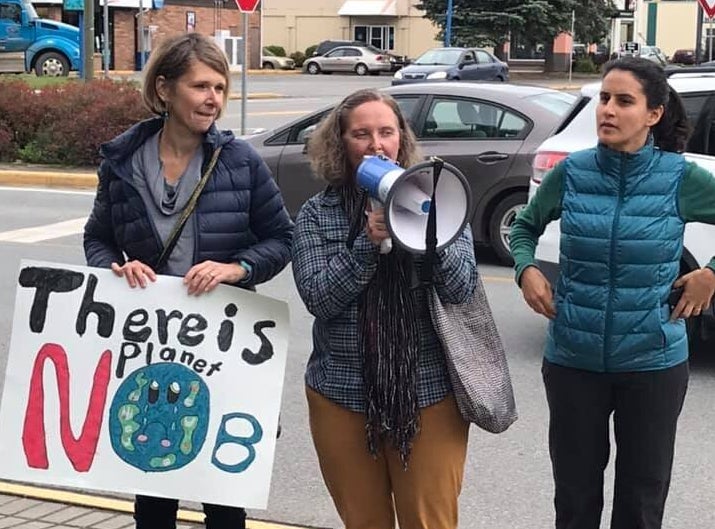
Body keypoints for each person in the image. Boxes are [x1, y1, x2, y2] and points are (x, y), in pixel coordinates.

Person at [83, 33, 294, 529]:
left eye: (220, 87)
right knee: (154, 491)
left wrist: (235, 268)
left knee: (223, 499)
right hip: (150, 345)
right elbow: (97, 240)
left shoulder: (239, 162)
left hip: (220, 347)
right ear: (164, 89)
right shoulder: (122, 163)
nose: (213, 99)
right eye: (201, 86)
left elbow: (281, 239)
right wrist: (116, 268)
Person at [510, 56, 715, 529]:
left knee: (641, 502)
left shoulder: (680, 177)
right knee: (575, 499)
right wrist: (526, 271)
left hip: (653, 361)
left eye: (624, 101)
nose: (607, 109)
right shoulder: (573, 172)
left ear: (654, 114)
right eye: (604, 98)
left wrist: (710, 274)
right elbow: (524, 226)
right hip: (573, 359)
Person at [291, 88, 478, 529]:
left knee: (429, 520)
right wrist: (367, 246)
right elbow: (320, 298)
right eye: (361, 134)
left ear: (401, 140)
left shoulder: (434, 196)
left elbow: (462, 287)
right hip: (342, 395)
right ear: (340, 144)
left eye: (386, 132)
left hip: (428, 394)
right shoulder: (318, 215)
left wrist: (423, 231)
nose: (376, 144)